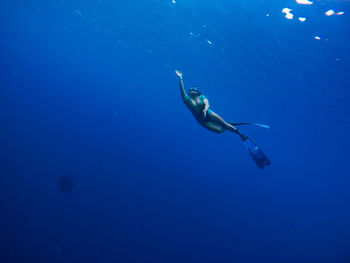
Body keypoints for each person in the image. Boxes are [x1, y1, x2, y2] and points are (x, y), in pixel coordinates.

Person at [175, 70, 247, 140]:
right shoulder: (187, 100)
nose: (192, 90)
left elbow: (207, 103)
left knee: (225, 124)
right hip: (203, 121)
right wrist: (180, 78)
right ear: (189, 92)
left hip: (209, 113)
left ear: (197, 92)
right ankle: (225, 126)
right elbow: (182, 91)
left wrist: (205, 111)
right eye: (190, 89)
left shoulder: (201, 96)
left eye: (194, 89)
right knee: (220, 131)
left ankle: (240, 134)